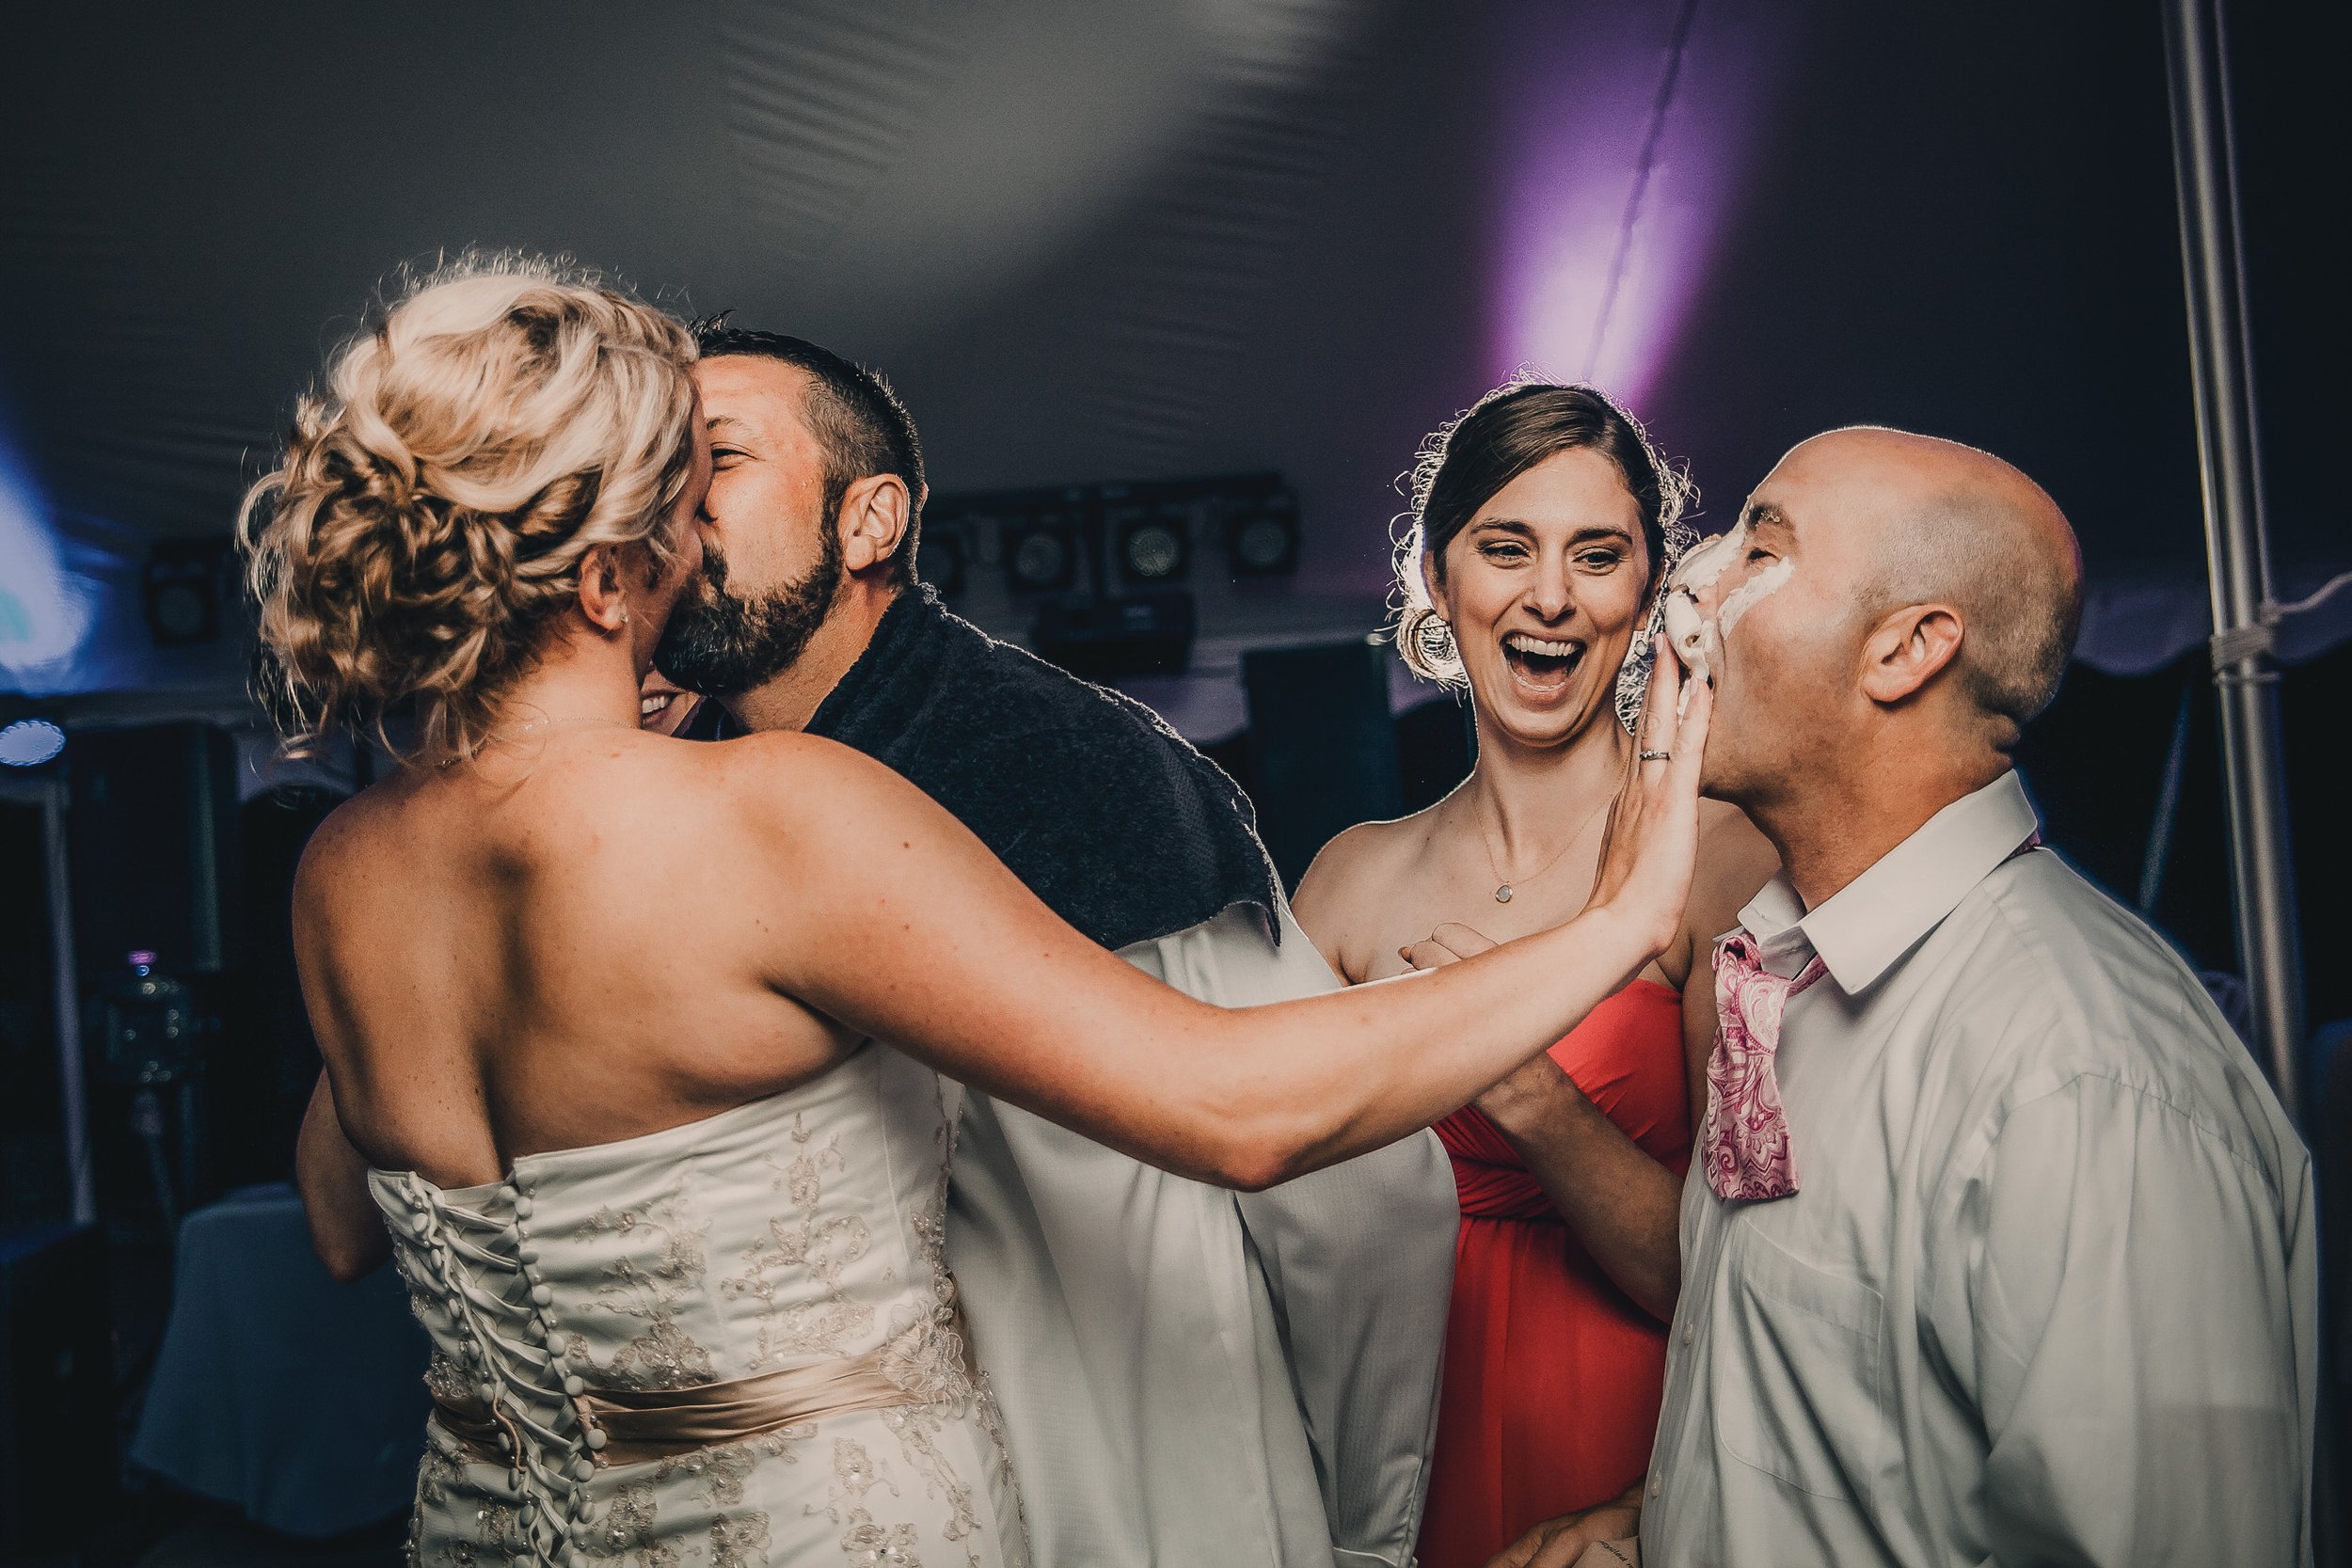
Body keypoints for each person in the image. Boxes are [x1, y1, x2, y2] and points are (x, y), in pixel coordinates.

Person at [266, 258, 1711, 1568]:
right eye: (672, 491)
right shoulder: (773, 808)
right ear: (603, 568)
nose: (693, 526)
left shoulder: (349, 866)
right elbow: (1246, 1115)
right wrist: (1622, 912)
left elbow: (342, 1223)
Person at [650, 324, 1462, 1568]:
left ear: (868, 522)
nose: (671, 509)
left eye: (717, 459)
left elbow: (1360, 1199)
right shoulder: (660, 814)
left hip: (1129, 1502)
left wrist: (1360, 1533)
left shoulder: (1078, 770)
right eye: (652, 474)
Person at [1639, 426, 2316, 1566]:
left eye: (1759, 550)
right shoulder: (1788, 974)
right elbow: (1857, 1460)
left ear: (1907, 649)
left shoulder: (2082, 1081)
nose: (1692, 595)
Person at [1294, 383, 1775, 1568]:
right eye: (1505, 547)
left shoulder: (1719, 861)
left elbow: (1754, 1292)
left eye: (1595, 555)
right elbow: (1268, 1231)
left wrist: (1529, 1095)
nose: (1549, 595)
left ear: (1649, 590)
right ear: (1436, 578)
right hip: (1384, 1447)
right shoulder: (1350, 881)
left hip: (1636, 1460)